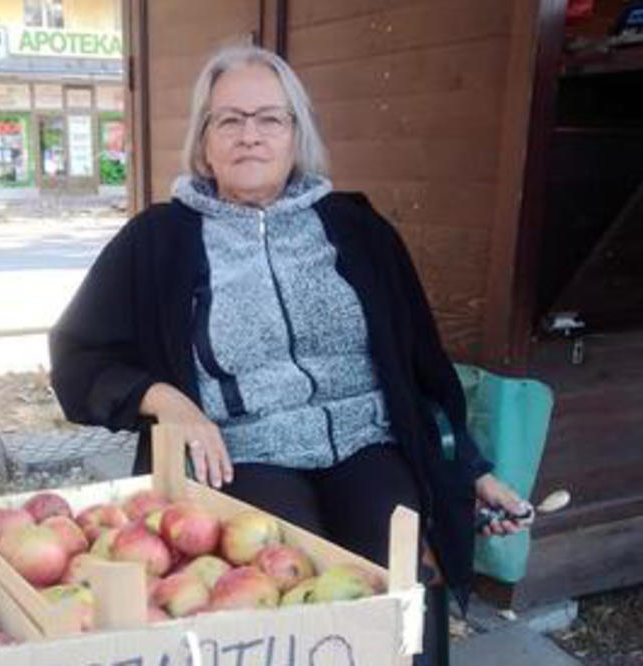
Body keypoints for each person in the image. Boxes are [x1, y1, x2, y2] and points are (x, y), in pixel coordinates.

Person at [50, 45, 527, 665]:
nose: (250, 135)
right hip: (240, 448)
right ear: (204, 139)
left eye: (269, 118)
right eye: (229, 120)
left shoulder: (358, 229)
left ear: (296, 133)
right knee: (290, 595)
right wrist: (169, 402)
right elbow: (78, 358)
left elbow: (419, 364)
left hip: (367, 440)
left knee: (405, 582)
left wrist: (469, 468)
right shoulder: (158, 241)